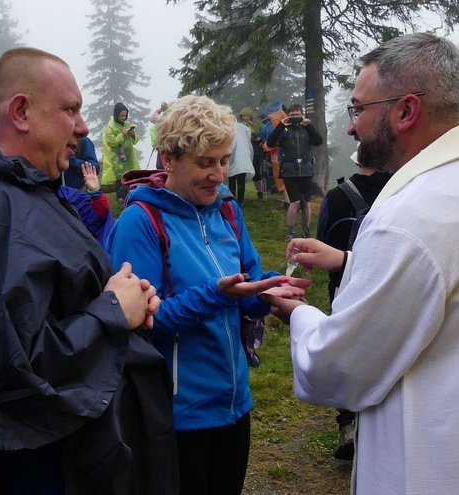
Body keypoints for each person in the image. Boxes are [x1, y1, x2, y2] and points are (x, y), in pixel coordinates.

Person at [262, 33, 459, 493]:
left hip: (441, 463)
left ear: (405, 110)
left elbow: (343, 367)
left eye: (358, 109)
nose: (351, 127)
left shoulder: (410, 216)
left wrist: (300, 314)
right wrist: (351, 261)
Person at [0, 47, 177, 494]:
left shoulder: (30, 193)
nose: (82, 127)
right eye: (70, 110)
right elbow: (15, 370)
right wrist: (114, 311)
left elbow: (55, 301)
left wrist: (127, 300)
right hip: (42, 467)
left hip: (76, 450)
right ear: (21, 111)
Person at [107, 95, 309, 495]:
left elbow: (244, 289)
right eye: (204, 162)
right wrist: (217, 294)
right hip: (177, 418)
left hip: (235, 406)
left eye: (223, 160)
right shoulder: (141, 221)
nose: (218, 174)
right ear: (169, 159)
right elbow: (143, 324)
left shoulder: (228, 211)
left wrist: (271, 292)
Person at [314, 149, 390, 460]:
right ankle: (381, 421)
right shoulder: (399, 191)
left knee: (346, 351)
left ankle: (348, 423)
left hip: (345, 286)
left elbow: (322, 241)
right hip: (388, 283)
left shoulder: (338, 196)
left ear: (357, 161)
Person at [266, 103, 323, 240]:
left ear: (302, 115)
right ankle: (290, 232)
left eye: (298, 115)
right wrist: (282, 125)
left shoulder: (306, 129)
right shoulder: (284, 130)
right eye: (292, 115)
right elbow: (270, 143)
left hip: (306, 169)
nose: (295, 118)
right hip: (289, 170)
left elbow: (318, 141)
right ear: (288, 116)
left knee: (306, 202)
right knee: (295, 202)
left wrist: (308, 125)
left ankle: (306, 230)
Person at [101, 102, 139, 203]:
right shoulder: (110, 127)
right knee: (119, 177)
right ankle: (120, 197)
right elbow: (111, 142)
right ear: (116, 114)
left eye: (125, 115)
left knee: (130, 174)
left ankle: (130, 195)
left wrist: (132, 135)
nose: (123, 118)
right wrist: (121, 134)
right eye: (121, 115)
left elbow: (135, 140)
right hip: (117, 156)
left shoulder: (127, 124)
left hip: (129, 155)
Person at [238, 107, 265, 199]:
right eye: (244, 116)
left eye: (247, 116)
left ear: (251, 117)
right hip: (243, 149)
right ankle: (240, 193)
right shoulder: (238, 126)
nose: (245, 118)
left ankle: (260, 191)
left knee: (256, 170)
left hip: (255, 148)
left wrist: (259, 138)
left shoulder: (256, 125)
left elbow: (262, 133)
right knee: (242, 172)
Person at [227, 120, 254, 205]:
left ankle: (234, 200)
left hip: (238, 158)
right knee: (239, 180)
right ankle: (239, 200)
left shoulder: (233, 129)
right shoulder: (243, 129)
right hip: (242, 158)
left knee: (233, 179)